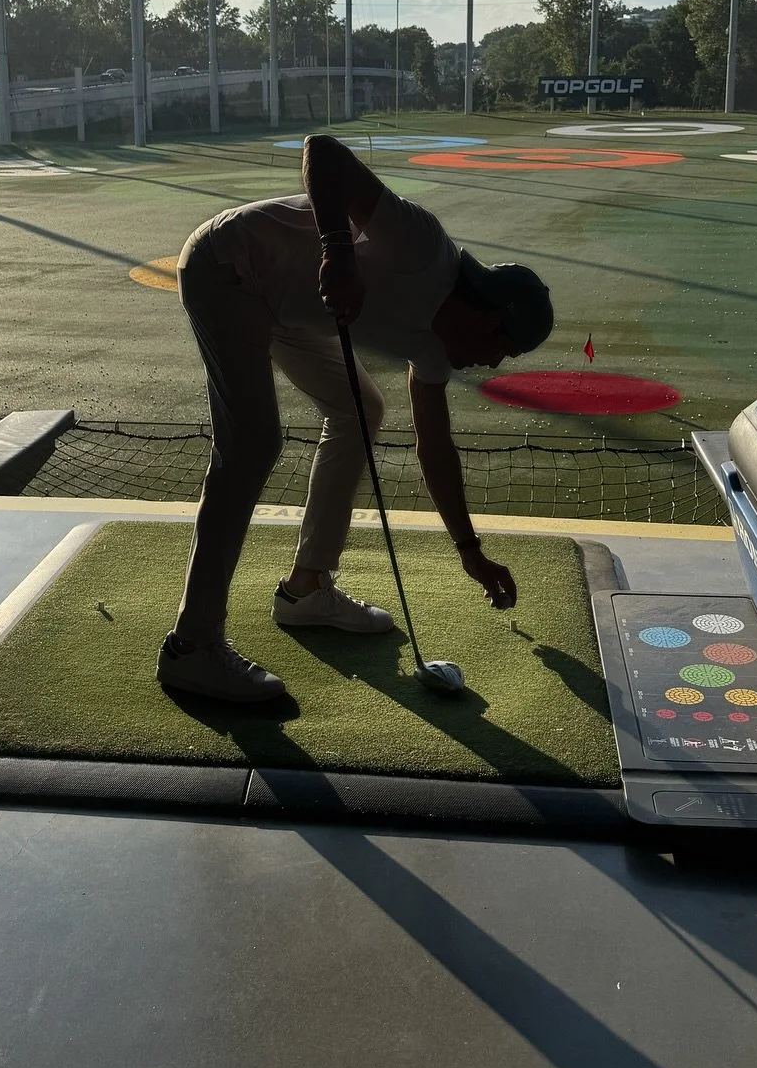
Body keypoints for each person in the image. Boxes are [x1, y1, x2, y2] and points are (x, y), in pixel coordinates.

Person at [157, 132, 555, 702]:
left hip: (292, 310)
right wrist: (338, 251)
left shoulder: (439, 350)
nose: (492, 361)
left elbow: (434, 446)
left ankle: (307, 589)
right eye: (500, 347)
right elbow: (324, 152)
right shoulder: (422, 247)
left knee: (362, 410)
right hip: (228, 264)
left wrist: (471, 551)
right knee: (251, 443)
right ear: (485, 312)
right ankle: (191, 648)